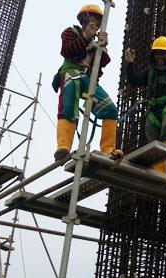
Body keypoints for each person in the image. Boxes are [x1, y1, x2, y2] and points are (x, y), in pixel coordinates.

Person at [53, 4, 123, 162]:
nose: (95, 23)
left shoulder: (96, 40)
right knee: (68, 105)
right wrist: (85, 38)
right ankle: (63, 146)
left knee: (110, 110)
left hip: (89, 79)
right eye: (92, 19)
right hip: (72, 72)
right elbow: (67, 50)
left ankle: (108, 149)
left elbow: (103, 62)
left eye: (98, 20)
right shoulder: (71, 33)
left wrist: (103, 46)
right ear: (84, 19)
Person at [124, 36, 166, 177]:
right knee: (151, 134)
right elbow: (134, 79)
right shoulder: (150, 72)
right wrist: (130, 64)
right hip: (154, 110)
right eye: (157, 54)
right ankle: (160, 170)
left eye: (162, 53)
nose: (159, 57)